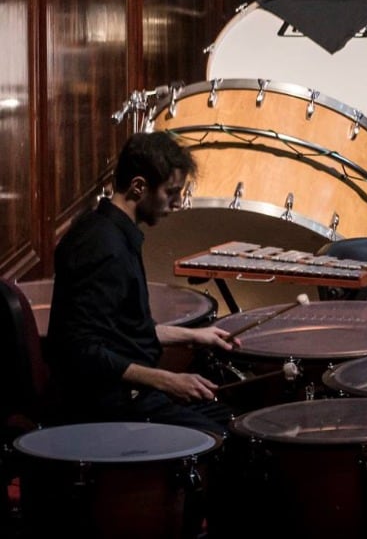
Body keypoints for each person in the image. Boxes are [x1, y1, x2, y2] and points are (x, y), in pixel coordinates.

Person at [46, 132, 237, 437]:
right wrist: (166, 380)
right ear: (138, 187)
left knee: (233, 418)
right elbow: (81, 350)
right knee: (224, 438)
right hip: (109, 405)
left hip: (129, 394)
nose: (176, 203)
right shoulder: (104, 248)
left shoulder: (108, 231)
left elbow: (125, 332)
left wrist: (197, 335)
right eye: (171, 192)